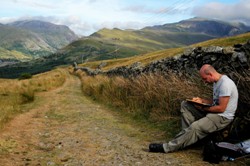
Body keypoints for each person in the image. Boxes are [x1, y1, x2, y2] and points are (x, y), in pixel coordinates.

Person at [149, 64, 239, 153]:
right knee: (186, 105)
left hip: (222, 117)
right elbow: (216, 101)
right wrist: (201, 101)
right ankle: (190, 140)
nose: (205, 81)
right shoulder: (217, 82)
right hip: (214, 113)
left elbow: (221, 108)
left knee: (195, 127)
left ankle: (167, 147)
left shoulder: (225, 84)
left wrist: (203, 108)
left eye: (205, 78)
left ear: (210, 74)